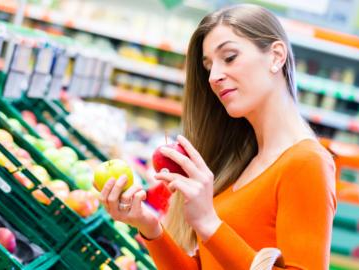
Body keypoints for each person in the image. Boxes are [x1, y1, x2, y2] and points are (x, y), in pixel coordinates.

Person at [100, 4, 336, 269]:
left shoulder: (306, 163)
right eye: (209, 65)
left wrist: (209, 223)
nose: (213, 77)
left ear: (276, 56)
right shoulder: (245, 160)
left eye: (230, 57)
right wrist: (149, 226)